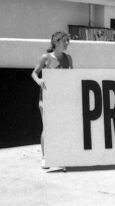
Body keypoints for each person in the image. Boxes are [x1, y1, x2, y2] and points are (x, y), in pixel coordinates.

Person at [32, 31, 73, 169]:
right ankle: (45, 157)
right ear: (56, 42)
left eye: (68, 41)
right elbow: (34, 73)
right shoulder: (46, 57)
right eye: (64, 41)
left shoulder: (69, 58)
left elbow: (72, 76)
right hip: (46, 98)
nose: (67, 44)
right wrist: (39, 80)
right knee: (48, 128)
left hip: (62, 100)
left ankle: (59, 157)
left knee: (61, 129)